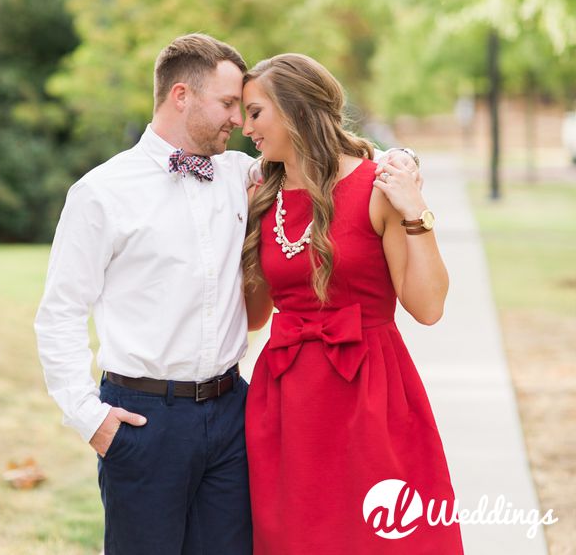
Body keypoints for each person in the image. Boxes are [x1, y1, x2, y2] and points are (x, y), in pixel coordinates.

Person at [34, 34, 420, 554]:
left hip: (233, 415)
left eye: (244, 107)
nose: (239, 120)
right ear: (180, 96)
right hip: (145, 419)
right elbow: (59, 311)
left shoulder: (245, 176)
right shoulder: (101, 193)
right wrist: (89, 417)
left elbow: (327, 157)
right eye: (228, 104)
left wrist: (402, 160)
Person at [240, 53, 461, 553]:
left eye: (255, 112)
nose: (243, 125)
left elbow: (427, 307)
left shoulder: (378, 186)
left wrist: (416, 213)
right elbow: (255, 317)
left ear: (295, 110)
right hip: (286, 399)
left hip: (371, 392)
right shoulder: (260, 199)